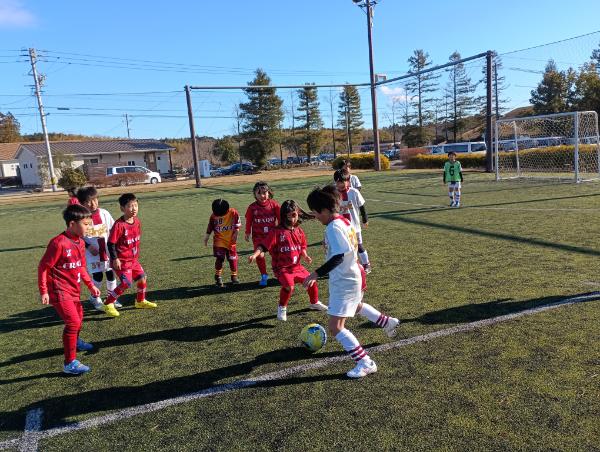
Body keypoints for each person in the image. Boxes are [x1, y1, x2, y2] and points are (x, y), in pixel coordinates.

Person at [304, 186, 399, 379]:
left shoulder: (334, 228)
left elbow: (339, 256)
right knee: (356, 306)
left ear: (325, 210)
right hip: (353, 274)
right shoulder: (343, 221)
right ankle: (387, 322)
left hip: (345, 281)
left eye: (316, 213)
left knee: (335, 327)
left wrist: (315, 273)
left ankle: (365, 362)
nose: (316, 217)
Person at [38, 204, 101, 375]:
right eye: (86, 224)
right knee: (73, 322)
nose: (88, 228)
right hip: (59, 290)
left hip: (73, 289)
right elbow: (43, 267)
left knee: (79, 318)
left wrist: (91, 285)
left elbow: (80, 267)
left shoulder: (80, 242)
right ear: (72, 224)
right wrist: (44, 290)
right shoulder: (58, 243)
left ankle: (76, 342)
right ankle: (69, 363)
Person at [249, 200, 327, 321]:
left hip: (297, 267)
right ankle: (282, 308)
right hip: (282, 268)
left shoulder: (299, 231)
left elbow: (302, 246)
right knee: (289, 287)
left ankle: (314, 302)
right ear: (284, 216)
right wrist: (255, 255)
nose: (293, 218)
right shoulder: (276, 232)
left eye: (295, 215)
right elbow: (263, 246)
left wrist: (305, 255)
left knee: (311, 281)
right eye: (289, 215)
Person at [103, 193, 157, 317]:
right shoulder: (119, 225)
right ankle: (108, 303)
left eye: (135, 205)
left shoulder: (137, 221)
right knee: (126, 283)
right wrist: (115, 259)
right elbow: (111, 243)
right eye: (130, 206)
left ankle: (140, 301)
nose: (134, 209)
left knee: (142, 278)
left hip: (133, 260)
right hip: (122, 261)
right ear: (122, 208)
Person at [76, 186, 118, 311]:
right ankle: (95, 297)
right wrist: (88, 246)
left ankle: (112, 298)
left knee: (110, 273)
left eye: (95, 200)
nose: (93, 204)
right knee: (98, 276)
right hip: (92, 253)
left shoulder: (104, 213)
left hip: (107, 251)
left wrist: (115, 246)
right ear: (82, 203)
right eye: (88, 202)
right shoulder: (81, 218)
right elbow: (77, 236)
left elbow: (113, 230)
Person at [334, 169, 371, 273]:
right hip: (341, 227)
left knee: (359, 246)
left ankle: (366, 264)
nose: (340, 184)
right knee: (342, 247)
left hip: (354, 226)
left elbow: (362, 206)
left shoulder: (354, 192)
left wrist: (365, 219)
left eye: (342, 182)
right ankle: (345, 266)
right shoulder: (334, 194)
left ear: (348, 181)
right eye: (338, 182)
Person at [245, 181, 281, 286]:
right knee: (260, 256)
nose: (262, 196)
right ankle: (264, 275)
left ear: (269, 193)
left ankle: (279, 273)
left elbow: (280, 219)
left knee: (276, 255)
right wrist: (247, 232)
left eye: (264, 193)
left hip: (272, 236)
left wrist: (281, 231)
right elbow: (249, 221)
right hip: (258, 237)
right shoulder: (252, 208)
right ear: (254, 194)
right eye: (259, 193)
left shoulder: (274, 205)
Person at [204, 198, 241, 288]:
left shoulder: (233, 213)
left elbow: (237, 223)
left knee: (232, 259)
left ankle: (234, 276)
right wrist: (207, 236)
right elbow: (210, 226)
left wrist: (236, 232)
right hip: (219, 241)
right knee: (220, 258)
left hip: (231, 242)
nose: (219, 216)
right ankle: (218, 276)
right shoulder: (213, 216)